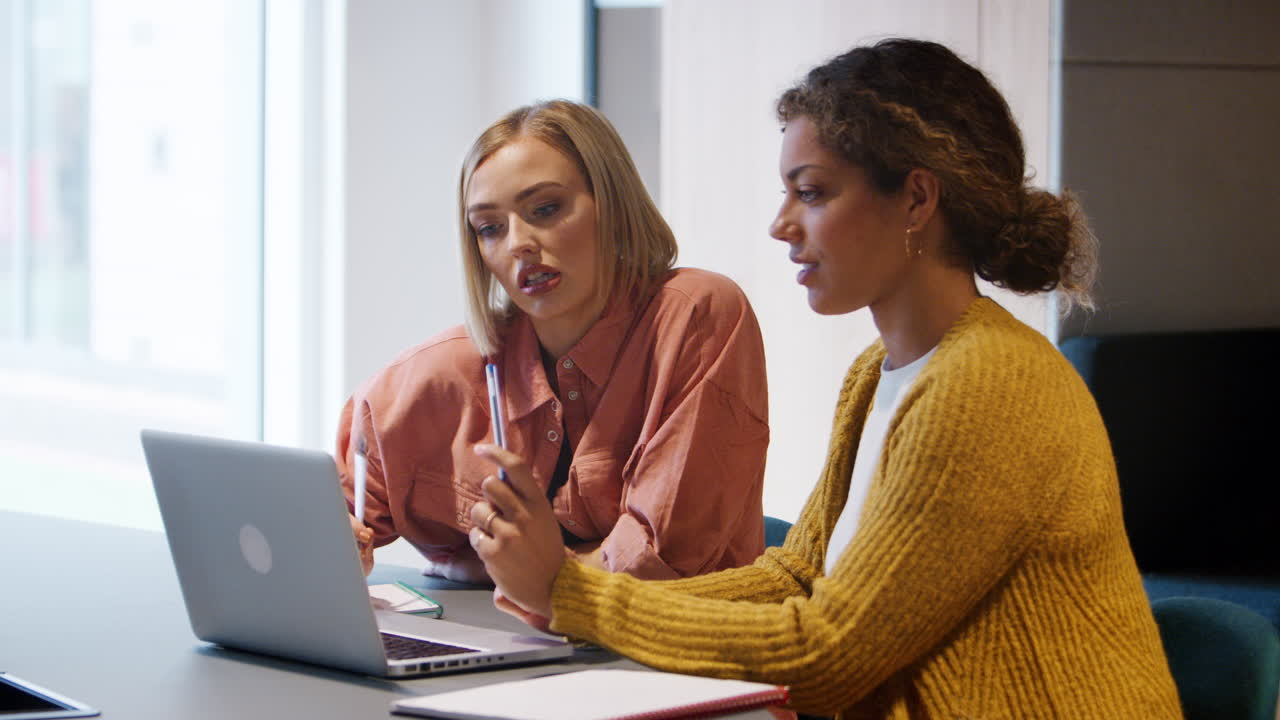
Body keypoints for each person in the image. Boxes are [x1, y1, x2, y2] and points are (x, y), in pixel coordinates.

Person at [466, 40, 1183, 718]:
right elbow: (797, 577)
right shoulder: (879, 373)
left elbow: (829, 650)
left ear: (915, 200)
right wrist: (571, 591)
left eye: (810, 193)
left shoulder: (990, 381)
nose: (781, 225)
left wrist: (573, 594)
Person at [336, 100, 769, 584]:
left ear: (613, 203)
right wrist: (338, 548)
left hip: (664, 651)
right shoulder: (438, 371)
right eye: (489, 228)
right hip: (503, 645)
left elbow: (660, 563)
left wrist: (490, 569)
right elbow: (331, 524)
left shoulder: (697, 314)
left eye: (545, 209)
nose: (517, 243)